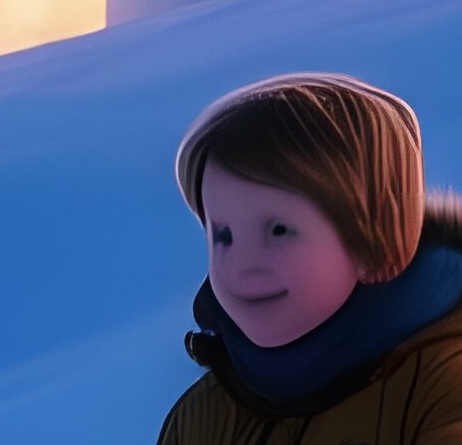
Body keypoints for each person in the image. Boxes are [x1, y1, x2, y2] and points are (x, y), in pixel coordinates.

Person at [159, 73, 462, 443]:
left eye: (279, 231)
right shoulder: (208, 412)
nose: (243, 266)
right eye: (224, 235)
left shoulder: (442, 385)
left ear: (373, 238)